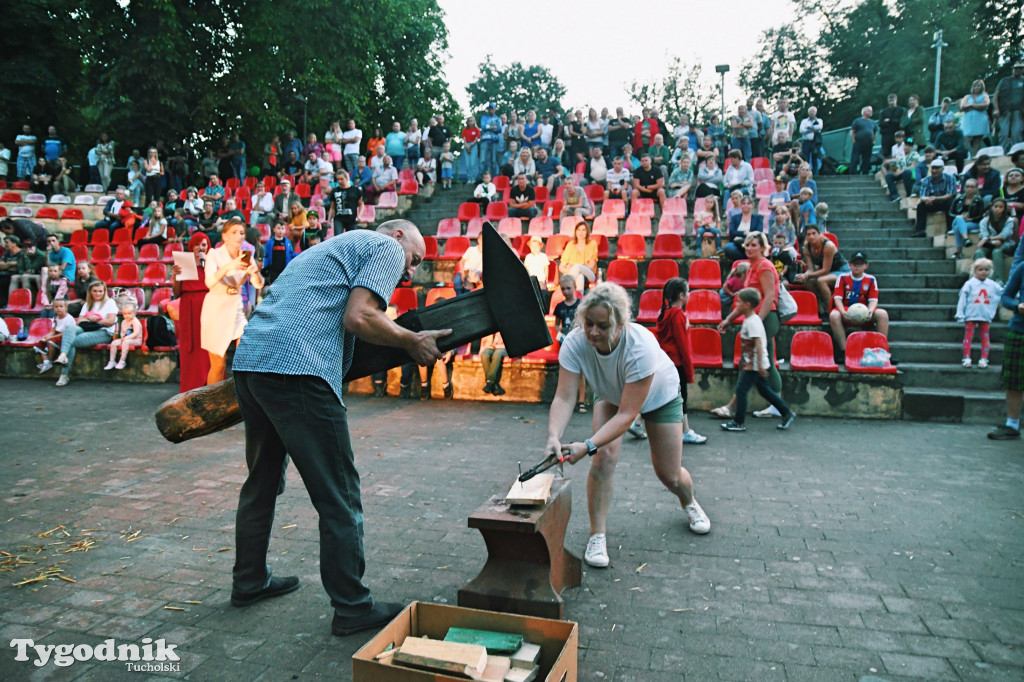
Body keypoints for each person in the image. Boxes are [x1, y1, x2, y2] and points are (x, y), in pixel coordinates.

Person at [228, 220, 448, 635]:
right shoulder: (382, 247)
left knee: (261, 483)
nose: (410, 273)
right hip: (298, 370)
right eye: (414, 260)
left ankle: (248, 581)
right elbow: (359, 316)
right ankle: (352, 606)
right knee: (339, 495)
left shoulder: (326, 250)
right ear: (397, 236)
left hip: (251, 363)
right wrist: (410, 340)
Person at [543, 281, 711, 569]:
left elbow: (627, 415)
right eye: (589, 324)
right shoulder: (575, 343)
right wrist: (553, 435)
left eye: (603, 326)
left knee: (669, 474)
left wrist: (586, 445)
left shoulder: (640, 346)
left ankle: (689, 501)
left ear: (621, 324)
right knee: (603, 458)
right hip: (610, 393)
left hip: (659, 396)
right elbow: (565, 395)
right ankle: (597, 534)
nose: (594, 332)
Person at [718, 288, 796, 433]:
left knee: (741, 391)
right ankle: (786, 413)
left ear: (747, 305)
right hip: (754, 363)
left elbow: (758, 344)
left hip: (753, 365)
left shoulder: (752, 322)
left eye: (739, 302)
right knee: (765, 391)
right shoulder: (751, 320)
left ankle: (738, 422)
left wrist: (759, 365)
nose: (737, 305)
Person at [200, 219, 263, 385]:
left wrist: (254, 273)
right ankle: (212, 403)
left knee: (244, 354)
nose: (239, 236)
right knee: (218, 365)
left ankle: (241, 398)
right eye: (234, 232)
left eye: (241, 233)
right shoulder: (214, 254)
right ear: (225, 236)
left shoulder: (246, 256)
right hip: (216, 307)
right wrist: (230, 266)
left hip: (236, 307)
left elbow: (258, 284)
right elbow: (209, 282)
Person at [655, 278, 708, 444]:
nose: (690, 295)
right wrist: (689, 371)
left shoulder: (663, 313)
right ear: (681, 295)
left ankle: (637, 422)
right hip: (677, 363)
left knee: (661, 394)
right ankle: (685, 431)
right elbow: (683, 345)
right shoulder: (678, 314)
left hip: (665, 360)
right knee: (681, 397)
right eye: (688, 291)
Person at [53, 279, 119, 387]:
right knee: (70, 328)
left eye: (100, 291)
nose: (98, 293)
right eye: (95, 291)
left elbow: (110, 321)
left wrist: (94, 319)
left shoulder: (110, 302)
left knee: (71, 341)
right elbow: (79, 321)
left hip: (103, 332)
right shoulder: (88, 304)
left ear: (104, 291)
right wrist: (88, 318)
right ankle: (63, 355)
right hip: (86, 328)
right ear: (90, 291)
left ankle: (64, 374)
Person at [170, 233, 211, 392]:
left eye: (204, 245)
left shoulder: (212, 263)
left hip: (207, 306)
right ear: (191, 246)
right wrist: (175, 277)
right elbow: (177, 293)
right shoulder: (184, 264)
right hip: (189, 307)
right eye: (197, 245)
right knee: (190, 345)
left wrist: (207, 265)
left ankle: (210, 383)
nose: (201, 248)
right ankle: (190, 384)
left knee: (207, 346)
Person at [828, 251, 889, 357]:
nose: (857, 267)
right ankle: (844, 350)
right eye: (854, 264)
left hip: (864, 309)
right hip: (846, 308)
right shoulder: (842, 278)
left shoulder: (871, 279)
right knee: (834, 315)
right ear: (849, 264)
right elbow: (837, 298)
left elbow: (873, 300)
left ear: (866, 265)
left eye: (860, 264)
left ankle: (881, 350)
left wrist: (870, 311)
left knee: (882, 314)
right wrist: (843, 312)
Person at [957, 258, 1003, 369]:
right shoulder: (969, 284)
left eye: (986, 269)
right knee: (968, 337)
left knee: (985, 338)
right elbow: (962, 299)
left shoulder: (993, 285)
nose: (983, 272)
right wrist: (960, 313)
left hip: (985, 315)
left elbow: (1002, 292)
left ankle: (984, 359)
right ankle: (966, 357)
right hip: (971, 315)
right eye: (980, 269)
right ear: (974, 271)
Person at [911, 159, 957, 238]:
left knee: (951, 203)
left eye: (937, 168)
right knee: (921, 206)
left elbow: (951, 194)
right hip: (933, 202)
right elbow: (922, 196)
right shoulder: (926, 180)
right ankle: (920, 231)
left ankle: (950, 228)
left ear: (942, 169)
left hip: (945, 201)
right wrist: (927, 199)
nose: (934, 171)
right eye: (933, 168)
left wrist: (936, 198)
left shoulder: (950, 178)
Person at [975, 199, 1016, 284]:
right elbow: (983, 234)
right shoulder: (984, 221)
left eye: (1001, 207)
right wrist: (988, 240)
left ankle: (998, 279)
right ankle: (980, 278)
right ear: (991, 208)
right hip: (988, 244)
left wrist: (988, 239)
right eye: (995, 206)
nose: (997, 209)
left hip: (1006, 243)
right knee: (979, 252)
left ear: (1004, 209)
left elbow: (1004, 235)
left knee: (997, 252)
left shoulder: (1009, 221)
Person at [35, 298, 74, 375]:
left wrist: (50, 338)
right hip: (56, 335)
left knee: (50, 341)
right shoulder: (55, 318)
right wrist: (46, 336)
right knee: (41, 342)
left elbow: (66, 333)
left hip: (65, 337)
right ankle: (46, 362)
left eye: (61, 306)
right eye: (56, 307)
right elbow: (52, 331)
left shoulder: (69, 319)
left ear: (66, 307)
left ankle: (49, 362)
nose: (58, 308)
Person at [949, 178, 986, 259]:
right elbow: (950, 213)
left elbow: (980, 216)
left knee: (957, 228)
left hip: (973, 223)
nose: (969, 189)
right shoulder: (959, 199)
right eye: (967, 186)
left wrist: (969, 219)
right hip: (958, 220)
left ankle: (958, 252)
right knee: (959, 218)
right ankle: (966, 239)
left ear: (976, 188)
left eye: (972, 187)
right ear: (964, 187)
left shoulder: (979, 200)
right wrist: (961, 217)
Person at [992, 61, 1024, 150]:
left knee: (1017, 132)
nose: (1018, 70)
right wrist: (996, 109)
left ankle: (1016, 152)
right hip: (1004, 110)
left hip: (1019, 111)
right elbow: (995, 96)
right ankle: (1003, 151)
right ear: (1012, 69)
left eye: (1020, 68)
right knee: (1003, 132)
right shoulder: (1004, 80)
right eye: (1016, 68)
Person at [560, 220, 598, 291]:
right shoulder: (570, 245)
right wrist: (568, 270)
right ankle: (578, 300)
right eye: (578, 230)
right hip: (575, 274)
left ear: (587, 232)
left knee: (577, 266)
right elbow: (561, 267)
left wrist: (573, 267)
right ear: (575, 232)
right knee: (580, 277)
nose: (581, 232)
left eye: (583, 230)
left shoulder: (592, 244)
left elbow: (591, 266)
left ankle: (568, 284)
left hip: (589, 274)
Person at [103, 302, 143, 370]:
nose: (127, 315)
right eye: (125, 313)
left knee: (125, 342)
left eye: (129, 313)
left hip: (136, 340)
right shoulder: (123, 322)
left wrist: (126, 338)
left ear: (134, 313)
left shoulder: (135, 321)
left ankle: (122, 361)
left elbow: (136, 333)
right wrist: (122, 337)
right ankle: (112, 361)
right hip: (125, 339)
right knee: (114, 343)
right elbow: (122, 332)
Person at [724, 196, 764, 262]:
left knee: (754, 248)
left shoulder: (758, 218)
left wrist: (748, 236)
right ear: (740, 205)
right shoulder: (734, 217)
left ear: (752, 205)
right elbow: (732, 232)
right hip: (736, 243)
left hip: (751, 242)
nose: (746, 205)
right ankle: (746, 260)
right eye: (743, 203)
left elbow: (759, 232)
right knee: (728, 248)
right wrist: (744, 233)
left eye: (748, 203)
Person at [960, 81, 991, 158]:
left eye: (979, 86)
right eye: (975, 86)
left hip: (980, 120)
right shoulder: (967, 97)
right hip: (968, 121)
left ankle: (974, 157)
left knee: (977, 140)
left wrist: (971, 105)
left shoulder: (985, 96)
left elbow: (986, 104)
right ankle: (966, 156)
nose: (977, 87)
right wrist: (978, 106)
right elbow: (962, 106)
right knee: (965, 138)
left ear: (982, 87)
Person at [327, 170, 363, 235]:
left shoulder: (355, 190)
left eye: (341, 179)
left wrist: (359, 215)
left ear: (346, 178)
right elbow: (332, 207)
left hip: (351, 219)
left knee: (351, 240)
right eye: (338, 179)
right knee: (338, 238)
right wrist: (329, 220)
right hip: (338, 219)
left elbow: (361, 204)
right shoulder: (335, 190)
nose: (339, 181)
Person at [849, 106, 876, 175]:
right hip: (858, 143)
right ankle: (852, 172)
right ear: (864, 112)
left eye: (871, 111)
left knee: (866, 159)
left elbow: (875, 132)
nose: (871, 112)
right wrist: (854, 141)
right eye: (869, 111)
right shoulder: (857, 121)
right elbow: (852, 132)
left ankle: (865, 173)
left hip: (869, 144)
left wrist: (874, 141)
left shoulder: (873, 122)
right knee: (855, 158)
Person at [798, 107, 823, 171]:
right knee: (806, 159)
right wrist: (811, 130)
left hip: (815, 142)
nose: (812, 112)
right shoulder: (804, 121)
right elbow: (801, 130)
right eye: (811, 111)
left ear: (816, 112)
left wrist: (809, 127)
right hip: (806, 142)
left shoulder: (819, 120)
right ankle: (806, 173)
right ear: (808, 112)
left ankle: (815, 174)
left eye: (813, 111)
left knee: (815, 159)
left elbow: (820, 127)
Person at [461, 116, 481, 183]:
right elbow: (464, 138)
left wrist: (471, 145)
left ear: (474, 121)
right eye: (470, 121)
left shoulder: (476, 129)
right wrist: (466, 146)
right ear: (468, 122)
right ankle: (469, 178)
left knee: (473, 163)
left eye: (472, 121)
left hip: (474, 146)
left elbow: (477, 138)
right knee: (467, 164)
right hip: (466, 145)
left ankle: (473, 178)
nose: (471, 122)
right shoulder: (465, 130)